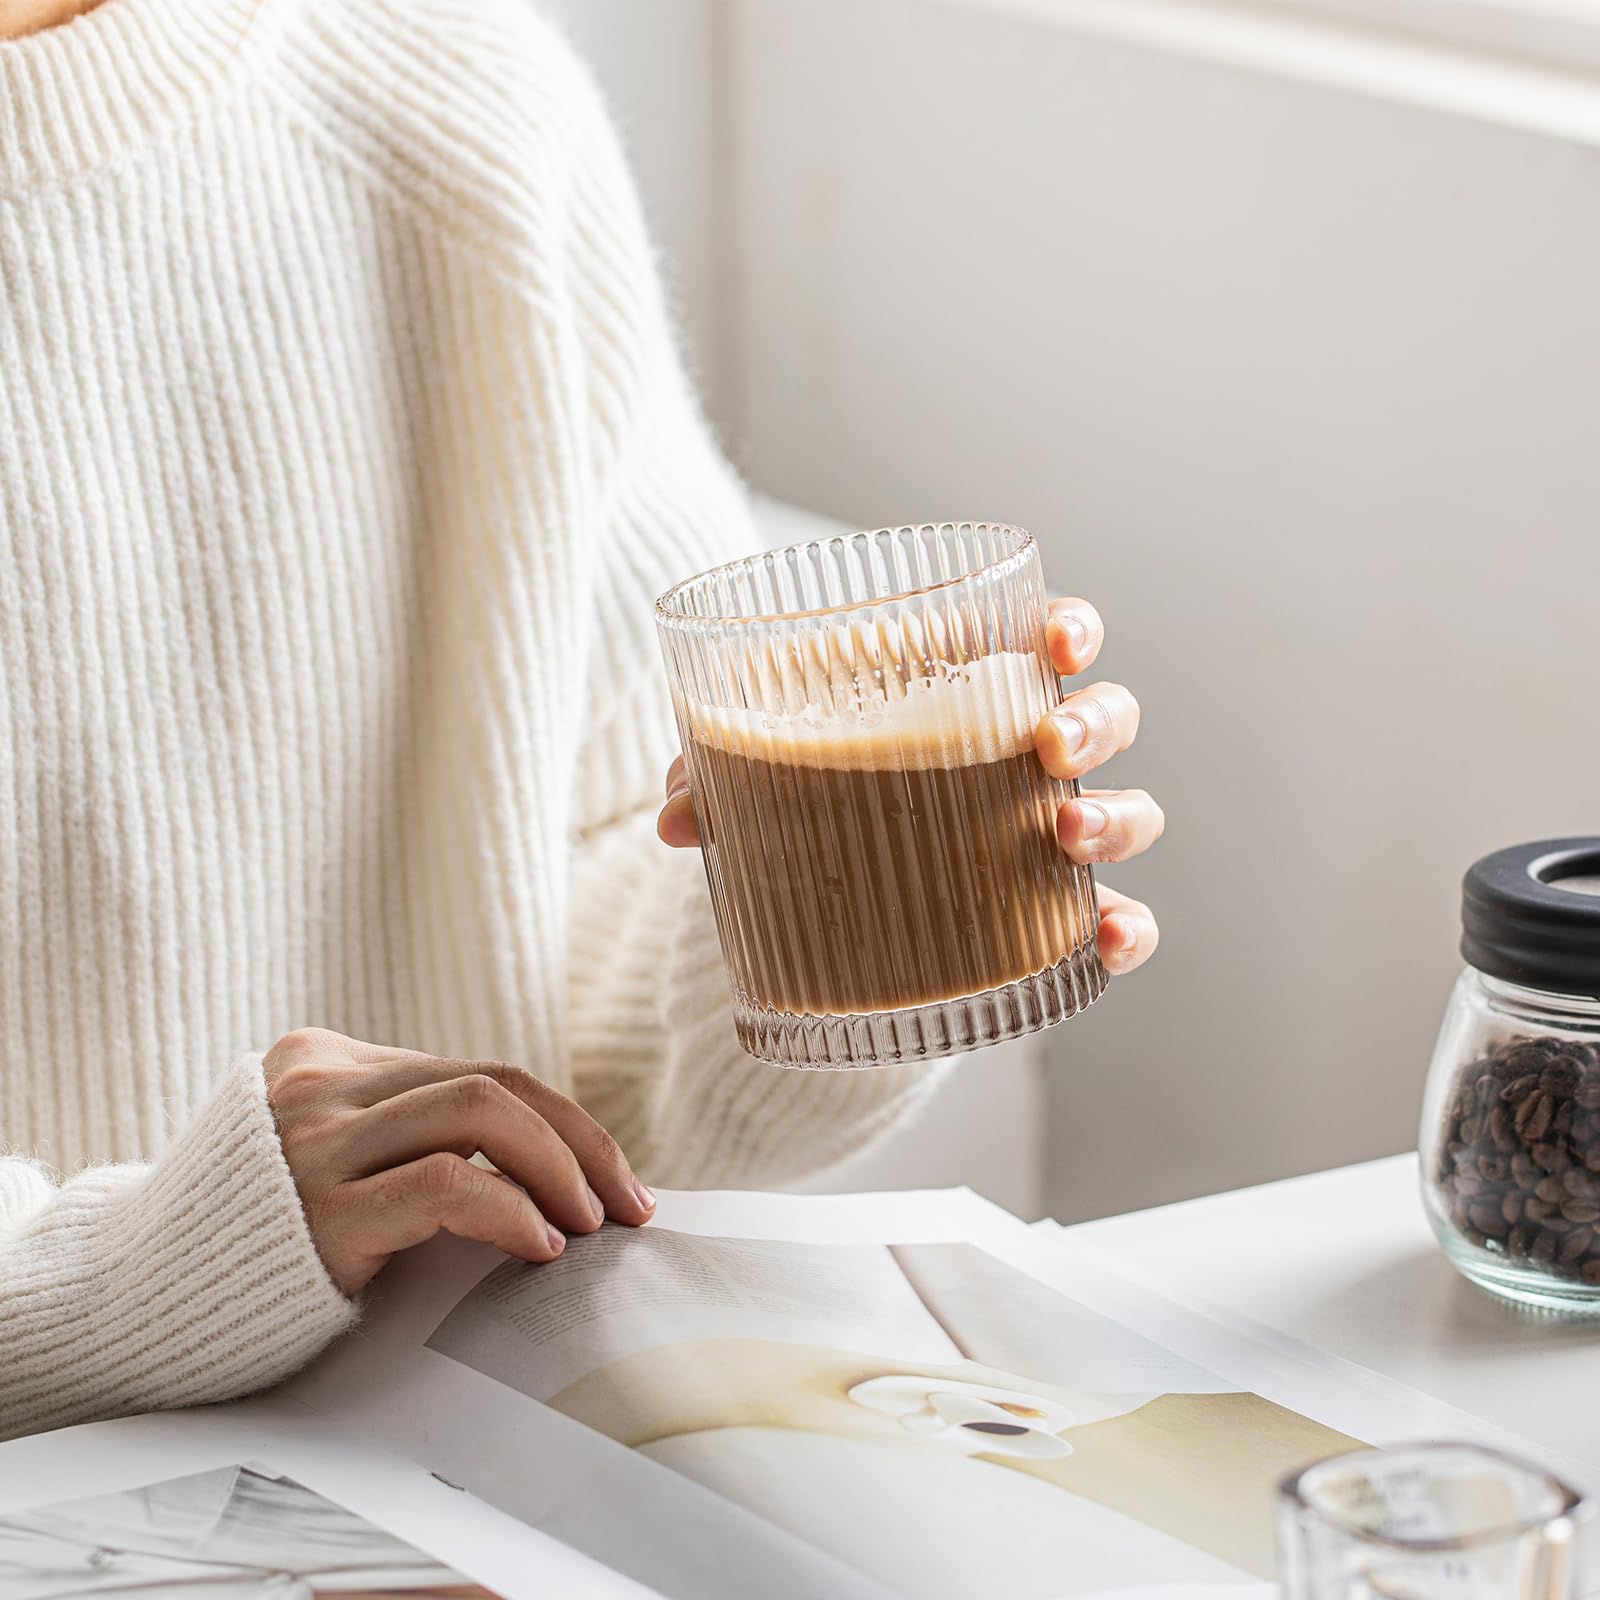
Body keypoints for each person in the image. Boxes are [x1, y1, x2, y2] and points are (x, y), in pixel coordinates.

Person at [0, 0, 1163, 1441]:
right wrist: (146, 1269)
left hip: (483, 1463)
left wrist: (858, 919)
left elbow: (609, 984)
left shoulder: (454, 92)